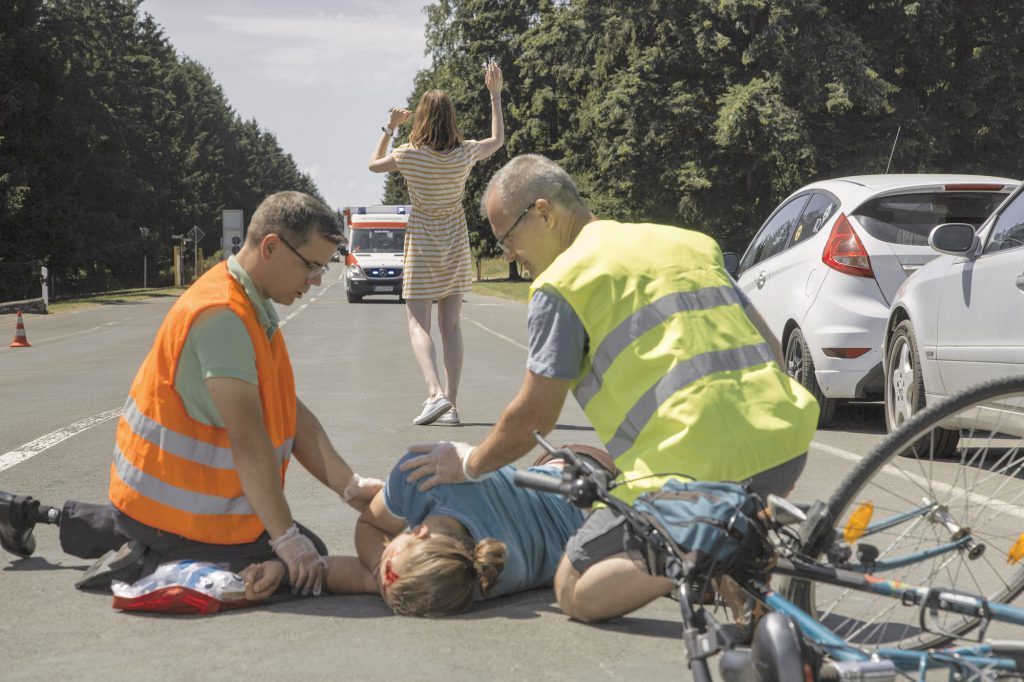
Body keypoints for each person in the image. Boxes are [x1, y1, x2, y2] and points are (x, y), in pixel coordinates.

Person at [399, 155, 820, 623]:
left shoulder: (563, 285)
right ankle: (738, 556)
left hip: (693, 473)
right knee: (669, 561)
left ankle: (717, 539)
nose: (507, 254)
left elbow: (533, 420)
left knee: (575, 588)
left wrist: (468, 463)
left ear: (544, 213)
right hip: (784, 446)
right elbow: (771, 349)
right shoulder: (687, 242)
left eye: (507, 237)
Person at [0, 191, 381, 595]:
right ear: (271, 246)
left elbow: (292, 415)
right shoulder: (224, 317)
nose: (317, 278)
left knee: (292, 554)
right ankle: (149, 561)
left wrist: (350, 487)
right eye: (312, 266)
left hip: (160, 502)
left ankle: (34, 515)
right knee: (300, 565)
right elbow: (248, 441)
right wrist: (286, 539)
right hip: (177, 512)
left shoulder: (248, 300)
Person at [239, 447, 596, 617]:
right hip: (585, 480)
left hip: (582, 501)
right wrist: (380, 565)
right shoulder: (431, 476)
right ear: (420, 532)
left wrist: (286, 571)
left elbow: (367, 545)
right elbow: (372, 531)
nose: (380, 569)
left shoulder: (466, 578)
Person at [368, 62, 506, 427]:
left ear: (422, 119)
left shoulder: (409, 154)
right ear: (451, 119)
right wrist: (494, 95)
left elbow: (373, 165)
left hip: (423, 240)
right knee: (452, 326)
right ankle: (453, 406)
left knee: (417, 323)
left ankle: (435, 394)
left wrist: (390, 128)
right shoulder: (465, 153)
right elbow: (498, 140)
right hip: (455, 240)